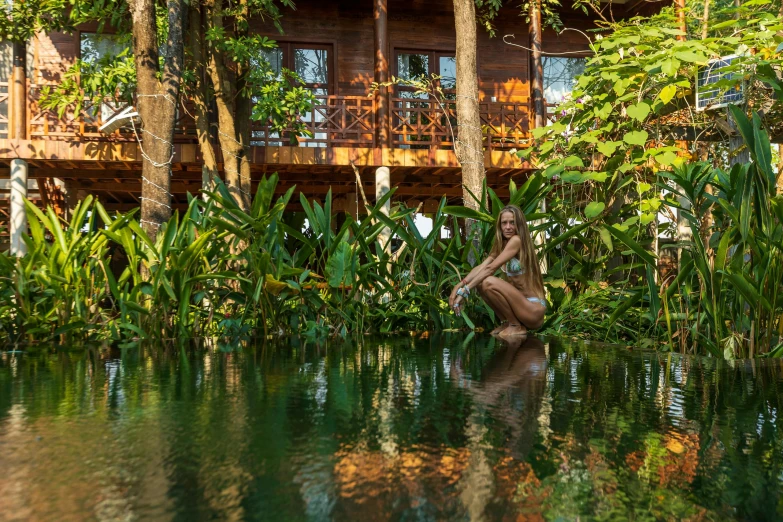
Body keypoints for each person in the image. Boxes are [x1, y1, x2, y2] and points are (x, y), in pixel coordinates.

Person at [448, 205, 546, 338]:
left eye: (512, 222)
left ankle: (515, 325)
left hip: (532, 309)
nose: (508, 227)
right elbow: (482, 266)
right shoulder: (502, 244)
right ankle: (507, 322)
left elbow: (490, 269)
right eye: (504, 223)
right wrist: (459, 285)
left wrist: (464, 292)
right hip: (519, 305)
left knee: (487, 281)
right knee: (481, 283)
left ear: (519, 224)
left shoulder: (517, 240)